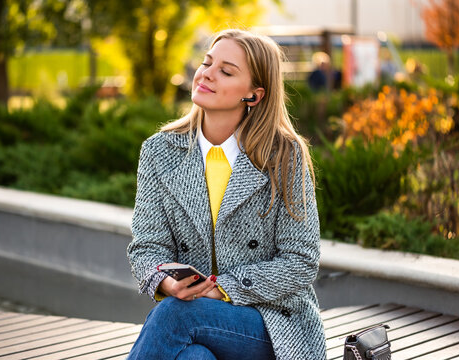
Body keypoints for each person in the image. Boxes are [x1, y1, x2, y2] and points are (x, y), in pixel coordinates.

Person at [126, 29, 326, 360]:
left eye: (226, 71)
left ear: (254, 95)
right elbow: (146, 248)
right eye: (207, 63)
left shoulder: (284, 156)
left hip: (273, 325)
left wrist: (223, 289)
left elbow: (301, 261)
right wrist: (166, 282)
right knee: (194, 358)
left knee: (177, 314)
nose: (206, 73)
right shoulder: (159, 151)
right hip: (194, 317)